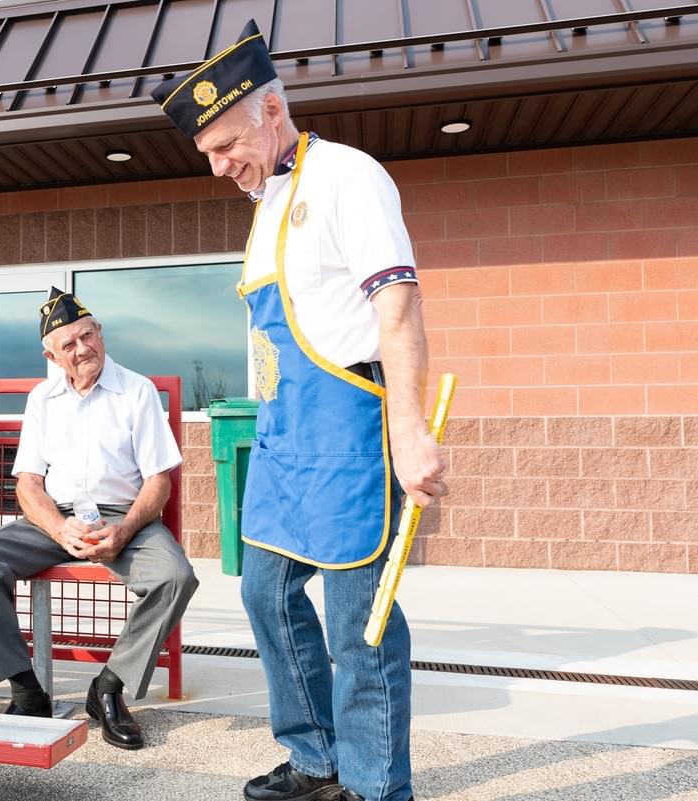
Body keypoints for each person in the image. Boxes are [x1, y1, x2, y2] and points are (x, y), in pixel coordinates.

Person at [151, 21, 448, 801]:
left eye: (225, 144)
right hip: (284, 437)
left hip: (349, 429)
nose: (218, 166)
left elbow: (399, 307)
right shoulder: (266, 207)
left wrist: (409, 430)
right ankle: (316, 758)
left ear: (273, 110)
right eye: (208, 152)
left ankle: (376, 786)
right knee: (264, 591)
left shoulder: (348, 177)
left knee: (360, 624)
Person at [0, 288, 198, 750]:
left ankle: (109, 687)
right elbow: (28, 484)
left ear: (100, 333)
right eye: (69, 344)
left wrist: (124, 529)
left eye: (88, 335)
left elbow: (158, 481)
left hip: (124, 517)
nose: (83, 348)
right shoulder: (43, 398)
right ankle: (27, 692)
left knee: (175, 577)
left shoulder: (137, 390)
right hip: (55, 518)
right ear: (51, 356)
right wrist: (57, 527)